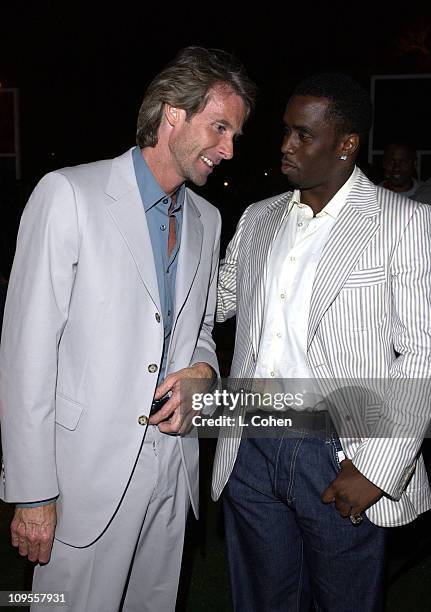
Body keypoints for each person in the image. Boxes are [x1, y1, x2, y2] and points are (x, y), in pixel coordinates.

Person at [0, 46, 256, 611]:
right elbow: (27, 353)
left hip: (173, 469)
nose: (229, 149)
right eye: (219, 127)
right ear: (172, 114)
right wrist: (33, 491)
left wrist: (204, 373)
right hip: (81, 478)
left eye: (234, 134)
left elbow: (201, 328)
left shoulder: (208, 219)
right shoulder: (68, 194)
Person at [212, 73, 431, 611]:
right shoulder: (259, 218)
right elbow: (212, 303)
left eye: (302, 135)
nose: (285, 145)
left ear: (346, 144)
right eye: (285, 131)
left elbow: (421, 350)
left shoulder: (402, 221)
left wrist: (379, 468)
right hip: (251, 446)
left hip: (340, 455)